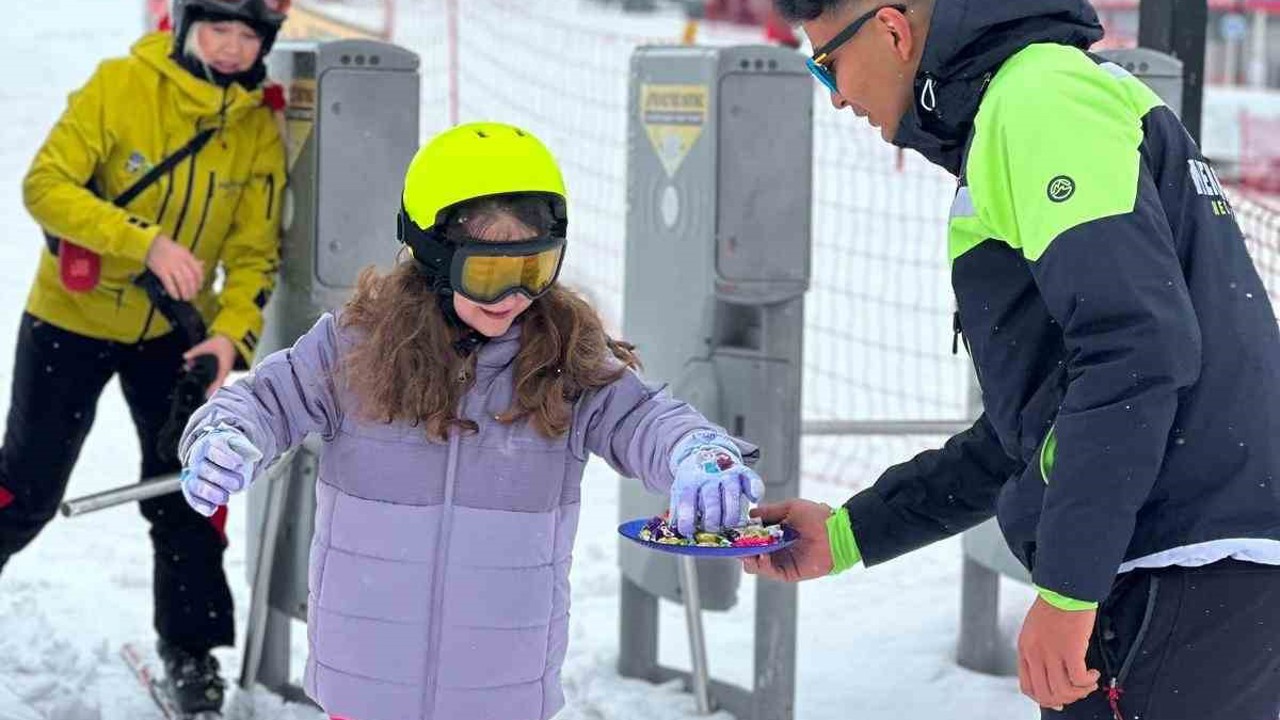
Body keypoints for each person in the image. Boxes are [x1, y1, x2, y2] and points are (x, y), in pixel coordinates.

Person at [745, 1, 1280, 718]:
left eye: (827, 64)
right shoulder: (1031, 99)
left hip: (1175, 569)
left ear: (892, 30)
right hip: (1195, 567)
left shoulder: (1039, 99)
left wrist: (1069, 588)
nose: (837, 96)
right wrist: (848, 534)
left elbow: (1135, 351)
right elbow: (1035, 431)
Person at [176, 122, 765, 720]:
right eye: (487, 273)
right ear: (433, 258)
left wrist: (696, 450)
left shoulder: (563, 358)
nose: (513, 295)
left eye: (535, 269)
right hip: (367, 684)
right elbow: (265, 400)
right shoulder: (356, 347)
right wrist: (223, 434)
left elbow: (643, 418)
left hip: (501, 692)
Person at [0, 0, 288, 713]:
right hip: (69, 320)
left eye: (247, 35)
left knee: (188, 487)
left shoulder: (257, 128)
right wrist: (145, 243)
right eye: (217, 28)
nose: (231, 47)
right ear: (184, 25)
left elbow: (254, 255)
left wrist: (229, 338)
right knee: (28, 487)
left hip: (172, 337)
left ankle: (190, 651)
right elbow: (45, 185)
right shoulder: (120, 84)